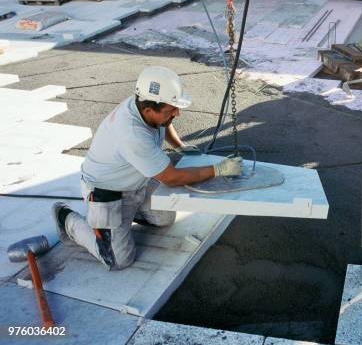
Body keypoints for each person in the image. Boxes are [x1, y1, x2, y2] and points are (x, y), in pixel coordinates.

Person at [52, 66, 243, 270]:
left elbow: (164, 122)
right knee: (118, 260)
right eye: (172, 110)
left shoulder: (145, 104)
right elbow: (171, 177)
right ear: (148, 110)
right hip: (106, 192)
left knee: (165, 218)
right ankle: (67, 219)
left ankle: (122, 219)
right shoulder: (132, 134)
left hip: (136, 182)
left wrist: (180, 145)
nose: (177, 113)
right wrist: (217, 170)